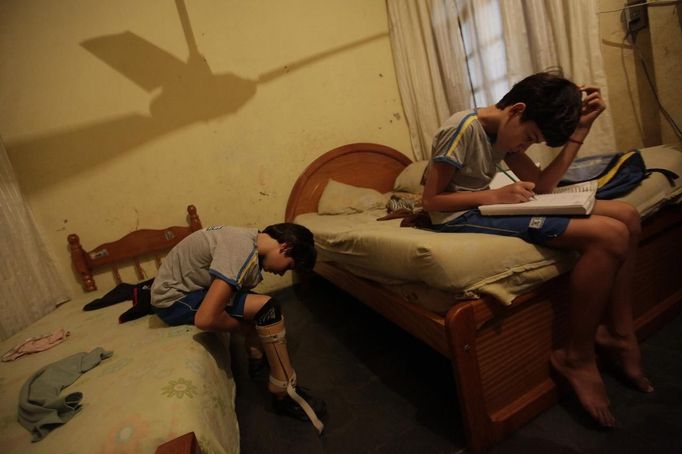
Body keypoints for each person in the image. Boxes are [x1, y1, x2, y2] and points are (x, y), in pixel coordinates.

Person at [420, 72, 651, 428]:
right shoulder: (462, 128)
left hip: (491, 204)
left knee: (628, 217)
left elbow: (544, 185)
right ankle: (576, 355)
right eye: (530, 137)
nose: (525, 147)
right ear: (517, 110)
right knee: (609, 236)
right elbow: (431, 200)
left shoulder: (505, 134)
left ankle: (619, 332)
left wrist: (579, 131)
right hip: (457, 215)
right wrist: (493, 196)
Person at [150, 222, 326, 433]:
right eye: (289, 266)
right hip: (173, 300)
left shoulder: (248, 241)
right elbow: (205, 319)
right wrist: (246, 329)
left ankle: (256, 360)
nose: (282, 273)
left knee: (261, 309)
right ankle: (283, 390)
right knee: (267, 308)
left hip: (189, 289)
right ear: (285, 247)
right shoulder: (240, 249)